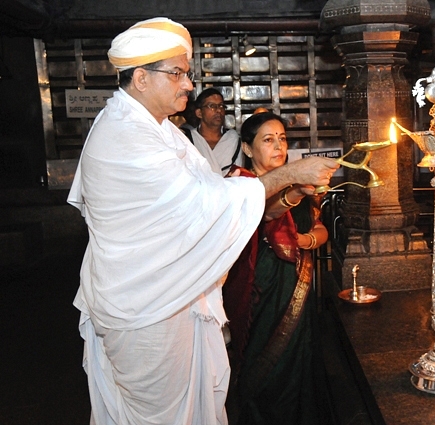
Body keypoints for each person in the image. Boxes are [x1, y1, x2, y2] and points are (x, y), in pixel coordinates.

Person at [67, 17, 338, 425]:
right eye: (177, 73)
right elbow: (202, 203)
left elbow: (208, 192)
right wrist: (289, 175)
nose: (189, 84)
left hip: (169, 299)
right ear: (141, 78)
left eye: (187, 73)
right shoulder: (125, 135)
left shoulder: (158, 129)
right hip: (147, 311)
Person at [223, 112, 331, 425]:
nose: (278, 146)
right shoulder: (238, 184)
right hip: (258, 292)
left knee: (300, 365)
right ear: (247, 147)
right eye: (268, 140)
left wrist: (306, 240)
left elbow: (319, 228)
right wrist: (295, 190)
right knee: (266, 370)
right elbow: (267, 213)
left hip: (296, 287)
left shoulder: (299, 179)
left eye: (282, 139)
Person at [183, 88, 242, 175]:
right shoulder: (188, 139)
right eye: (212, 106)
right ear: (199, 113)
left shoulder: (232, 139)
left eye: (221, 106)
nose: (218, 110)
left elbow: (239, 174)